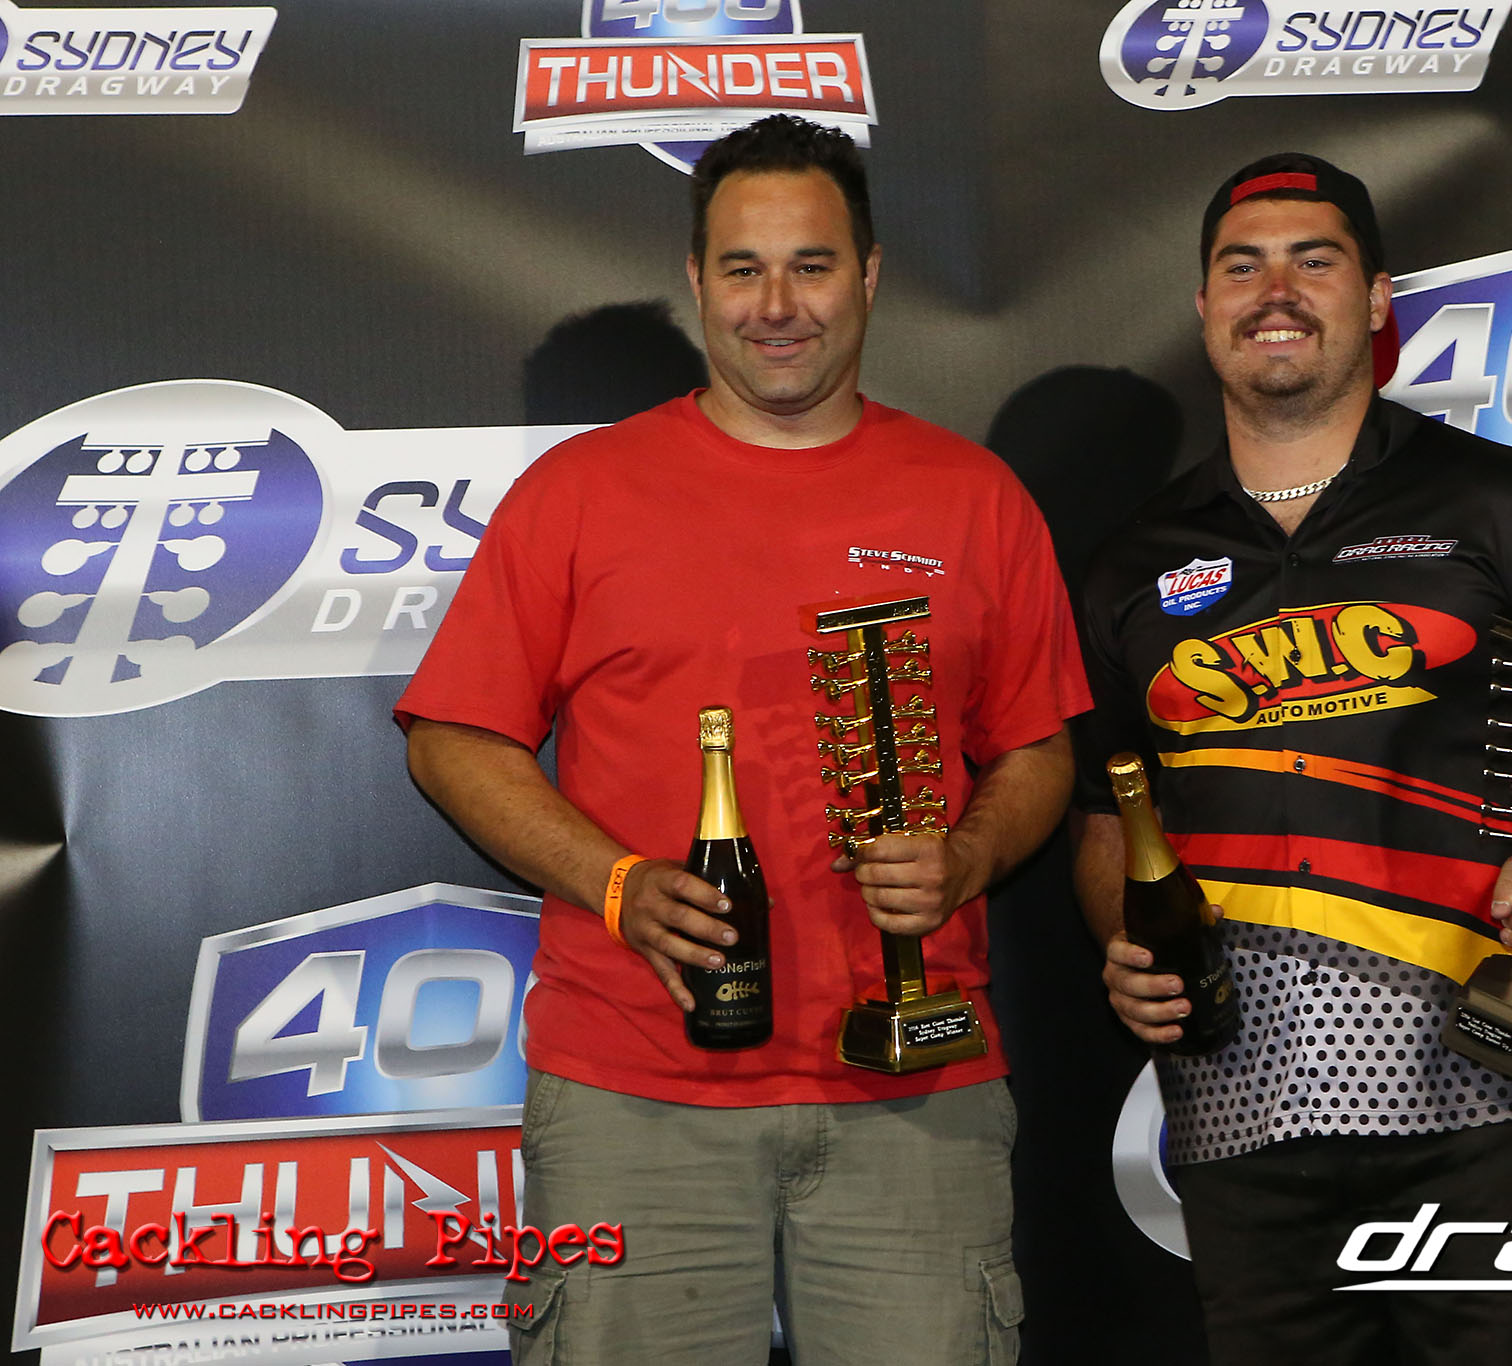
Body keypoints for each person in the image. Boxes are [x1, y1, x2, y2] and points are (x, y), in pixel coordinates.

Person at [399, 115, 1088, 1366]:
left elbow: (1037, 749)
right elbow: (452, 737)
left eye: (811, 266)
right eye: (742, 268)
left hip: (914, 1096)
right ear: (696, 278)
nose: (776, 306)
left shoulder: (973, 498)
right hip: (631, 1095)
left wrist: (970, 855)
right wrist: (614, 882)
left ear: (867, 276)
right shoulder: (580, 492)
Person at [1072, 153, 1512, 1364]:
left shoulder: (1499, 502)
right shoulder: (1130, 562)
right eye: (1241, 266)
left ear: (1372, 300)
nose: (1275, 291)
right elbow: (1106, 812)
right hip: (1239, 1109)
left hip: (1480, 1088)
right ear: (1201, 307)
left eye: (1313, 260)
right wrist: (1130, 945)